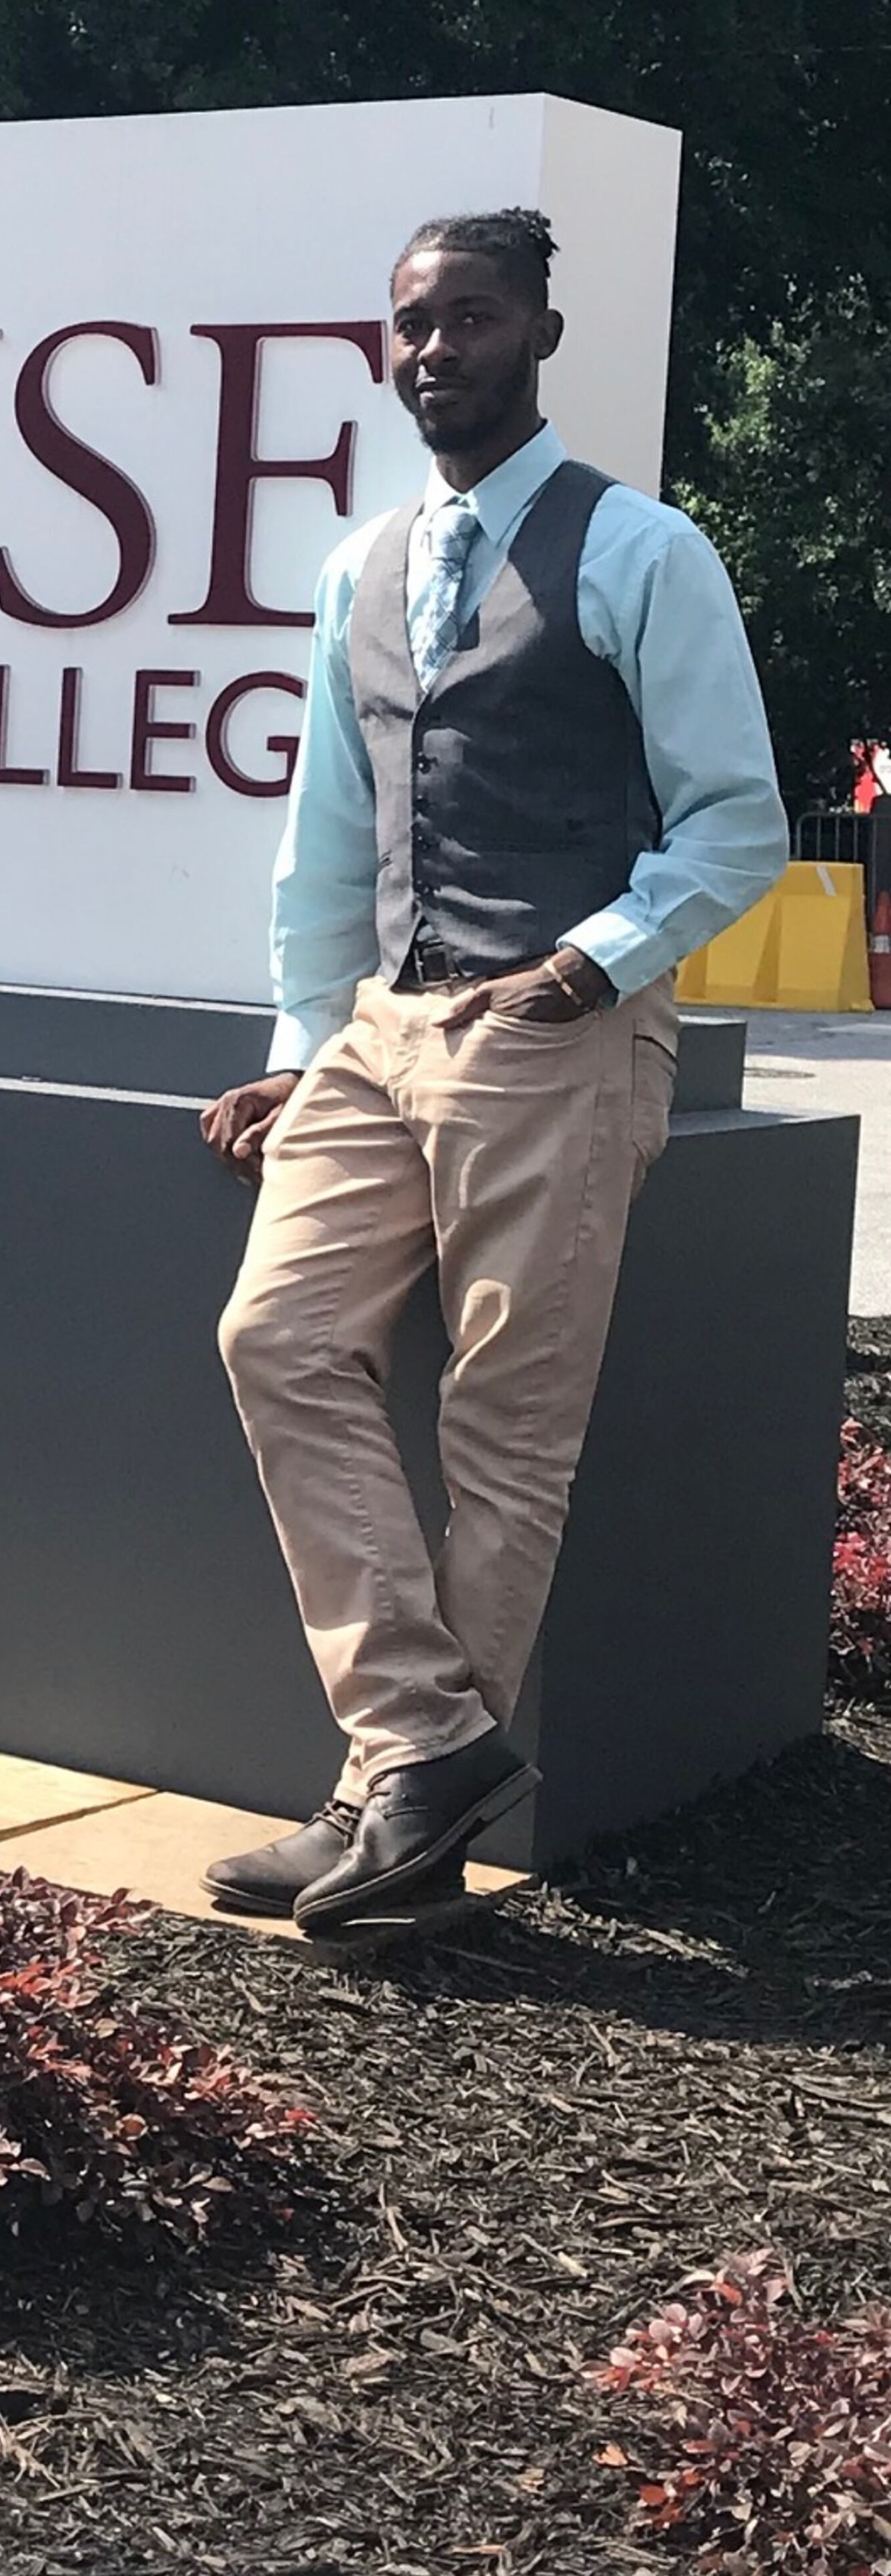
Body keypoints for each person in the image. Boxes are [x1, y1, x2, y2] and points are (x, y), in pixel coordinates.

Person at [197, 207, 789, 1933]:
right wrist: (304, 1049)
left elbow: (736, 826)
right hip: (387, 1022)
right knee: (281, 1336)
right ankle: (428, 1746)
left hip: (562, 1027)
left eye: (469, 318)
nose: (434, 349)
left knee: (504, 1420)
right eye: (410, 324)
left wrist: (584, 970)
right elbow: (327, 837)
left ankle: (391, 1803)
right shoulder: (359, 566)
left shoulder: (644, 552)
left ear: (539, 330)